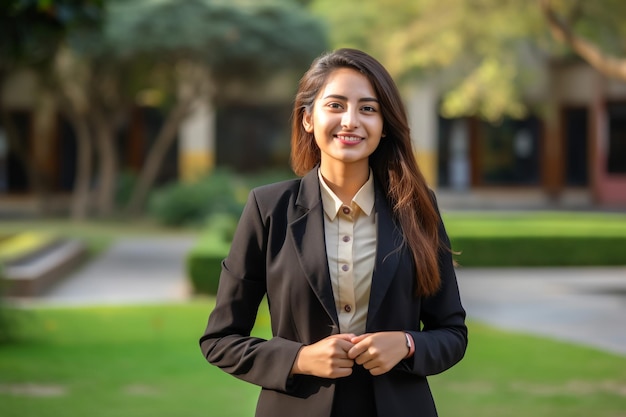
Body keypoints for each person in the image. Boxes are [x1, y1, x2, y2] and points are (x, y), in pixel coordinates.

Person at [199, 48, 468, 417]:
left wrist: (407, 344)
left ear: (385, 124)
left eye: (368, 109)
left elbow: (452, 333)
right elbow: (221, 340)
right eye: (336, 105)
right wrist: (300, 358)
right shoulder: (268, 208)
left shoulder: (417, 209)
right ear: (308, 118)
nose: (351, 121)